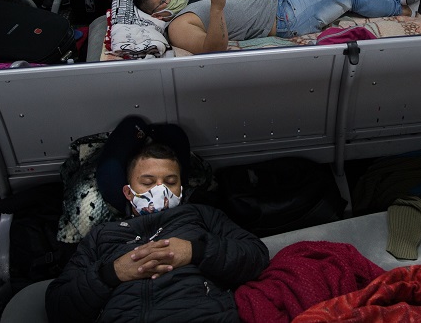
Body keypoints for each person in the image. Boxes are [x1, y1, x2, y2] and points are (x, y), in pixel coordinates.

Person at [46, 138, 269, 322]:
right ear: (128, 192)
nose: (160, 189)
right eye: (148, 182)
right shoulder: (102, 235)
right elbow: (59, 306)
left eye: (170, 181)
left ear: (180, 188)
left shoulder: (201, 214)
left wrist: (196, 251)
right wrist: (112, 273)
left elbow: (256, 255)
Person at [133, 0, 421, 55]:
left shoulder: (184, 6)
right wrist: (217, 6)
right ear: (158, 13)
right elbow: (213, 48)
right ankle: (403, 8)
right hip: (287, 18)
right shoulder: (178, 26)